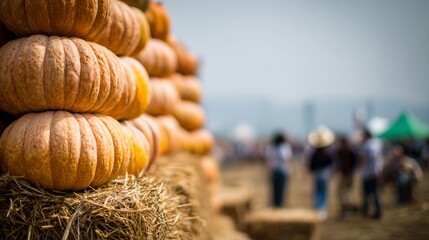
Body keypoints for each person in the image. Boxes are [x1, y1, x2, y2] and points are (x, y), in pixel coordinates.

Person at [307, 126, 335, 220]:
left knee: (317, 191)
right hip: (325, 174)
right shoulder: (328, 152)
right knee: (323, 191)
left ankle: (317, 208)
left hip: (317, 174)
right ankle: (322, 209)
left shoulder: (315, 153)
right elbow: (331, 163)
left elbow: (311, 165)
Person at [359, 129, 383, 219]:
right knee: (375, 192)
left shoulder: (367, 145)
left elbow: (364, 158)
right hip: (375, 172)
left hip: (368, 172)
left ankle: (368, 210)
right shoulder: (377, 144)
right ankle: (376, 210)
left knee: (368, 192)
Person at [265, 132, 293, 208]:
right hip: (282, 170)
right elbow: (288, 159)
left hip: (275, 169)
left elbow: (268, 160)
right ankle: (279, 203)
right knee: (281, 188)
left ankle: (276, 203)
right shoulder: (286, 147)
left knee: (275, 188)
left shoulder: (271, 147)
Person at [335, 136, 358, 217]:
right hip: (344, 174)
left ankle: (347, 209)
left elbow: (355, 162)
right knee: (341, 192)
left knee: (346, 192)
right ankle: (345, 208)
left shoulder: (350, 151)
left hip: (348, 174)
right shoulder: (340, 152)